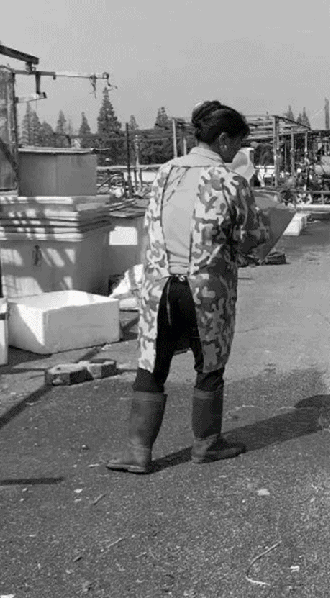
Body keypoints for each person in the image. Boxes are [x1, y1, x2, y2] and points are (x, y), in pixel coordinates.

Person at [107, 100, 274, 474]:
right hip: (205, 291)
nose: (238, 152)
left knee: (153, 361)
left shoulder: (165, 173)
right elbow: (252, 238)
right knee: (209, 364)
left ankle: (137, 452)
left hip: (158, 288)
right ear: (224, 139)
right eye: (238, 144)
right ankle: (206, 445)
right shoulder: (230, 181)